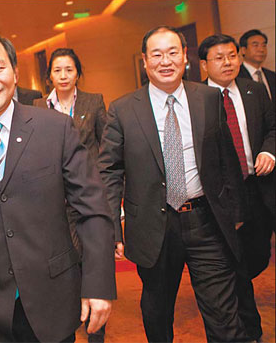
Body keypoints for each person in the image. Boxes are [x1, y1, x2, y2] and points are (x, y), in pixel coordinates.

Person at [0, 30, 116, 342]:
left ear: (15, 73)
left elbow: (93, 210)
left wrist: (98, 285)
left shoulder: (55, 128)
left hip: (52, 294)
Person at [98, 25, 248, 342]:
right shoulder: (123, 110)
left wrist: (236, 211)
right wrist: (113, 225)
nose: (165, 61)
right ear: (144, 60)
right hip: (154, 226)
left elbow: (227, 159)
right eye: (157, 54)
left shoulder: (208, 98)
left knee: (224, 315)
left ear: (185, 57)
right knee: (157, 312)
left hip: (206, 220)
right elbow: (109, 171)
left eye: (172, 52)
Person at [199, 33, 275, 341]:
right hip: (221, 198)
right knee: (234, 266)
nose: (228, 62)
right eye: (219, 58)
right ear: (204, 64)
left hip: (258, 189)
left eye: (232, 55)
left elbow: (273, 128)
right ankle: (249, 330)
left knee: (256, 257)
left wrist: (269, 151)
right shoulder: (196, 98)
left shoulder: (254, 90)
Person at [34, 47, 107, 342]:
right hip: (51, 204)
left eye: (69, 69)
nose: (63, 76)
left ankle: (96, 333)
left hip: (86, 199)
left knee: (93, 265)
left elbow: (106, 150)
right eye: (57, 70)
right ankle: (67, 327)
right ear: (49, 75)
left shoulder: (94, 101)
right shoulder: (38, 107)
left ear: (78, 72)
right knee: (63, 268)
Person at [238, 29, 276, 106]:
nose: (261, 49)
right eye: (255, 45)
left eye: (264, 45)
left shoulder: (272, 76)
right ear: (243, 50)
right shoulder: (236, 76)